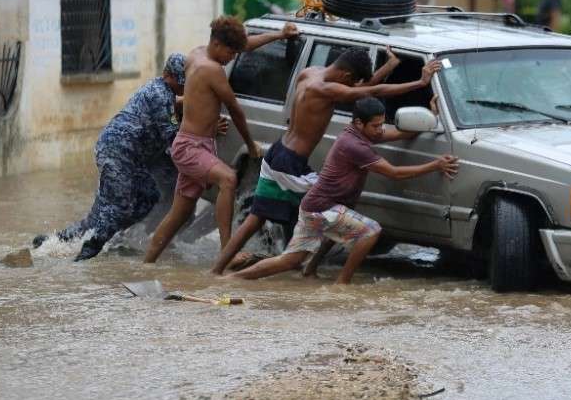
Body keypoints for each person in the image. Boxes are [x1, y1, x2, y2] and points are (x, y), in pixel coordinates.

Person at [210, 46, 442, 274]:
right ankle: (303, 266)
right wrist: (420, 83)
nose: (353, 87)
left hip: (278, 152)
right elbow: (370, 91)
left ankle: (218, 269)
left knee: (256, 218)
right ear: (346, 75)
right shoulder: (327, 89)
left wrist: (389, 66)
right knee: (333, 205)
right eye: (352, 82)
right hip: (291, 165)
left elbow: (360, 89)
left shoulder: (310, 73)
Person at [226, 97, 458, 284]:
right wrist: (435, 165)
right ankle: (342, 285)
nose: (380, 130)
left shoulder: (358, 134)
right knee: (370, 232)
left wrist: (432, 118)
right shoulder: (354, 145)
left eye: (381, 124)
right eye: (376, 125)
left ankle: (303, 272)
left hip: (320, 207)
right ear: (359, 123)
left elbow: (400, 133)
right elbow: (394, 173)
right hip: (321, 208)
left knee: (296, 256)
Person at [143, 17, 298, 263]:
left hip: (196, 143)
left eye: (236, 51)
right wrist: (250, 145)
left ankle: (147, 263)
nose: (233, 57)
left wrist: (278, 35)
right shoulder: (211, 70)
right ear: (217, 43)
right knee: (229, 179)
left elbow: (245, 45)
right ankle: (227, 254)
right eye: (230, 52)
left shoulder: (196, 54)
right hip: (190, 146)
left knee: (179, 214)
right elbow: (235, 109)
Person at [31, 54, 190, 261]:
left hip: (128, 156)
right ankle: (87, 253)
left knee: (146, 197)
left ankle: (56, 241)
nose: (183, 87)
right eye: (180, 81)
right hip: (118, 152)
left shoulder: (161, 90)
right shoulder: (161, 95)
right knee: (119, 207)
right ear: (167, 75)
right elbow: (171, 136)